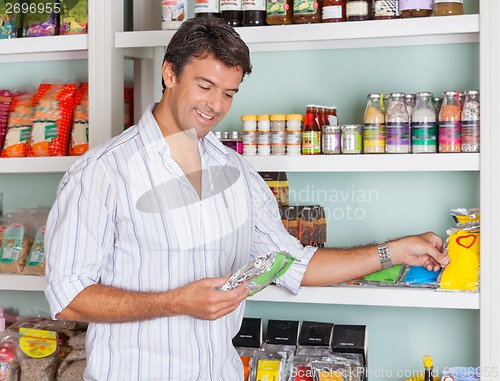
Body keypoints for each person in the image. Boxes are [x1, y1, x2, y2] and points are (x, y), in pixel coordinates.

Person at [44, 17, 450, 381]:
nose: (216, 106)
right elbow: (69, 297)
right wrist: (176, 302)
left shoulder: (236, 172)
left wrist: (393, 252)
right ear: (169, 73)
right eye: (205, 86)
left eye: (229, 93)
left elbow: (291, 264)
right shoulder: (103, 172)